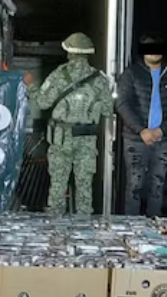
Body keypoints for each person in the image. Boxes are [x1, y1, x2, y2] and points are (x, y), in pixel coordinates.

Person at [25, 32, 111, 215]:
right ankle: (83, 225)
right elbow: (107, 110)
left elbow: (42, 102)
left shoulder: (59, 75)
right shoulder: (100, 80)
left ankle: (56, 225)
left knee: (58, 185)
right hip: (87, 139)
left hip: (61, 138)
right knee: (85, 188)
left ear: (69, 52)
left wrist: (30, 85)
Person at [116, 35, 167, 217]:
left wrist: (162, 130)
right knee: (134, 185)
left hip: (163, 140)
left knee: (157, 184)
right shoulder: (131, 74)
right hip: (135, 139)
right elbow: (122, 104)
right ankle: (131, 225)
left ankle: (154, 223)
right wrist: (142, 130)